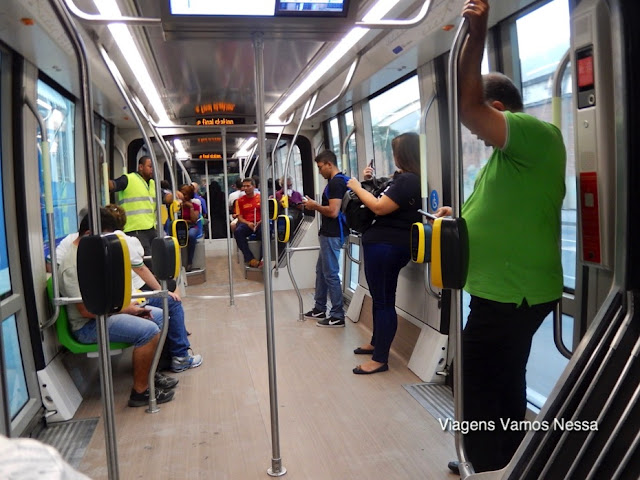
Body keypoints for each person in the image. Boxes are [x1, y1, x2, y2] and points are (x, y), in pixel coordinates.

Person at [441, 0, 566, 473]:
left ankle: (484, 460)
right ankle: (502, 459)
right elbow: (495, 211)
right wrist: (458, 218)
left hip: (514, 293)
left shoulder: (536, 135)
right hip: (503, 292)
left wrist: (476, 37)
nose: (474, 131)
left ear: (499, 109)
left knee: (477, 379)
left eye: (480, 117)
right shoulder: (504, 160)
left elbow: (470, 106)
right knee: (505, 377)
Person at [58, 209, 175, 407]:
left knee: (160, 316)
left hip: (104, 314)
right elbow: (86, 311)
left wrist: (129, 307)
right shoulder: (72, 265)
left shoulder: (88, 255)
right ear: (88, 235)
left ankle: (149, 375)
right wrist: (127, 309)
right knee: (149, 330)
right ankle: (140, 392)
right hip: (88, 326)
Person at [346, 133, 421, 374]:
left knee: (384, 301)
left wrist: (357, 186)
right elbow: (382, 195)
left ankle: (380, 359)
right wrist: (369, 181)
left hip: (388, 248)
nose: (393, 157)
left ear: (405, 154)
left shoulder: (409, 180)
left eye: (395, 152)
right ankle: (376, 342)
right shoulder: (399, 180)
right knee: (380, 299)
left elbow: (379, 206)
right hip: (380, 246)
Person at [106, 204, 202, 373]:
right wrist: (162, 291)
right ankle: (180, 355)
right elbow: (141, 269)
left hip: (116, 296)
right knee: (172, 300)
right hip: (129, 295)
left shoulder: (84, 244)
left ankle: (175, 340)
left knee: (169, 293)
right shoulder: (125, 241)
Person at [301, 151, 348, 327]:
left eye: (320, 167)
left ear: (329, 164)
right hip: (329, 232)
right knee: (321, 271)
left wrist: (315, 206)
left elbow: (333, 211)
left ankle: (337, 314)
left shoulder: (336, 183)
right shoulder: (337, 181)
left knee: (330, 274)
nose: (319, 171)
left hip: (333, 233)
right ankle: (320, 307)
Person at [109, 156, 157, 257]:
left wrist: (176, 195)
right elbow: (113, 185)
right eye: (150, 166)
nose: (152, 169)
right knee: (147, 261)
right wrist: (103, 174)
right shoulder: (128, 179)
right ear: (140, 167)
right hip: (135, 230)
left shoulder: (153, 184)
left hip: (151, 229)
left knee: (156, 259)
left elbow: (165, 197)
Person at [233, 178, 263, 268]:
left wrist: (260, 222)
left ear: (253, 186)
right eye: (244, 186)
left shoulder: (261, 198)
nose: (245, 188)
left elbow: (266, 214)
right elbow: (239, 217)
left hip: (260, 223)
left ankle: (263, 258)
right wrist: (248, 223)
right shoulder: (239, 201)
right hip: (247, 224)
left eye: (248, 186)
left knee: (266, 232)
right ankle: (250, 259)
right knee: (238, 232)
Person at [178, 183, 202, 272]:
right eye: (182, 194)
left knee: (191, 235)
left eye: (185, 194)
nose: (183, 196)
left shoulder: (195, 205)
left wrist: (191, 208)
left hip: (192, 227)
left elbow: (194, 220)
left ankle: (189, 262)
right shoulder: (177, 206)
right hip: (180, 227)